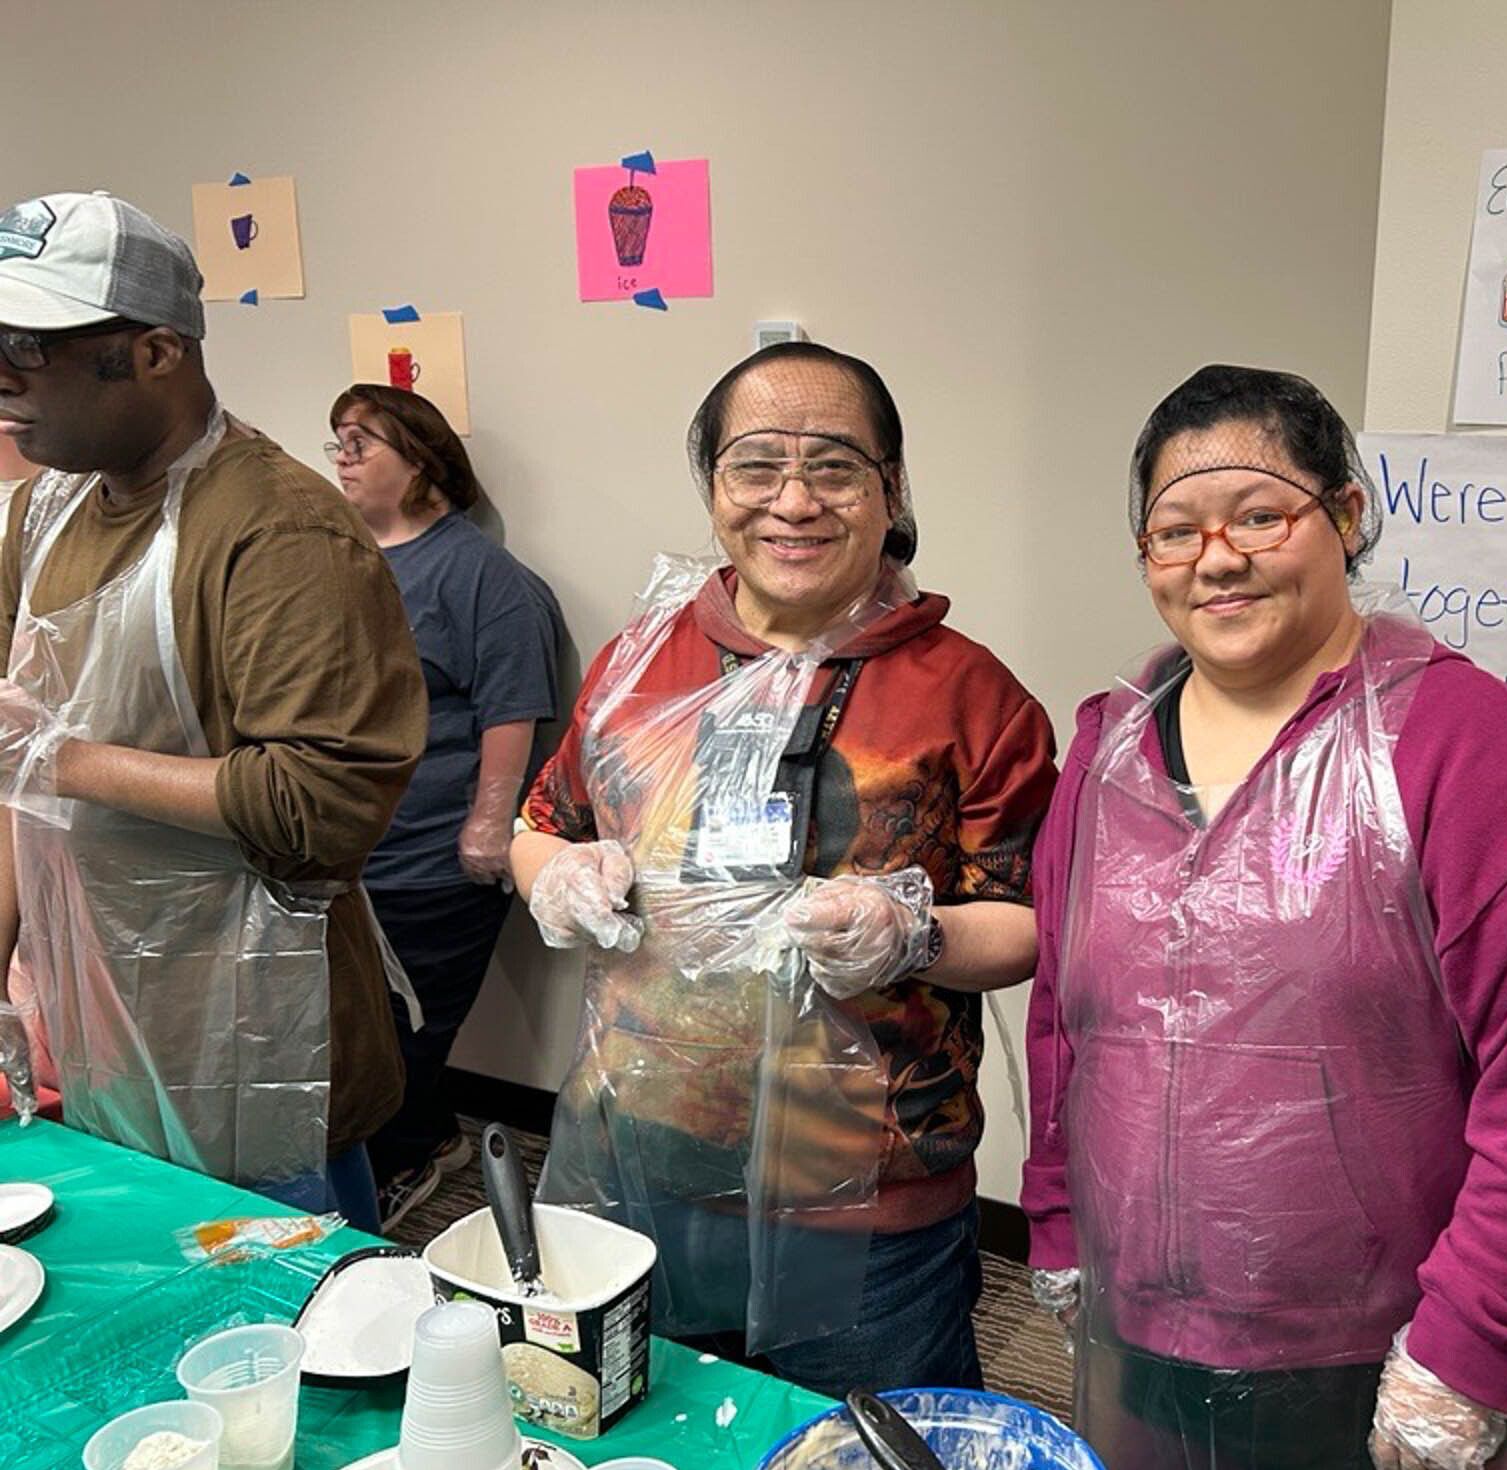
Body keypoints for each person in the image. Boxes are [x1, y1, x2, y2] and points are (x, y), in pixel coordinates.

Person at [1022, 364, 1507, 1470]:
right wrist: (1054, 1219)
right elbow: (1067, 1014)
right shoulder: (1105, 751)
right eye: (1174, 530)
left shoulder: (1464, 751)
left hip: (1374, 1364)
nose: (1217, 558)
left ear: (1345, 516)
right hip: (1139, 1343)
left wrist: (1464, 1349)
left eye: (1259, 514)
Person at [510, 341, 1057, 1397]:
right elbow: (543, 822)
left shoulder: (970, 696)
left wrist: (914, 935)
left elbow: (1029, 926)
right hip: (635, 1173)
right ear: (713, 489)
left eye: (835, 467)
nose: (792, 501)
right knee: (648, 1456)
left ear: (891, 489)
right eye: (755, 466)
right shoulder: (638, 664)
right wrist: (554, 877)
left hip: (870, 1208)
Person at [0, 192, 425, 1231]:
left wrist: (64, 759)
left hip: (255, 1039)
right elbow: (10, 775)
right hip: (101, 1018)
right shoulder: (45, 513)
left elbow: (318, 806)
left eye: (32, 346)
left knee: (285, 1349)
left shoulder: (275, 532)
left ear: (154, 353)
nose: (4, 376)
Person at [326, 384, 563, 1231]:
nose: (342, 458)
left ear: (422, 463)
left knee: (399, 1037)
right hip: (349, 850)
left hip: (432, 856)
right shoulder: (345, 559)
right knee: (355, 1026)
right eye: (337, 442)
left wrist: (486, 827)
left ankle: (412, 1156)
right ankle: (422, 1135)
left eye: (362, 442)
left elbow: (515, 707)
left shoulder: (480, 575)